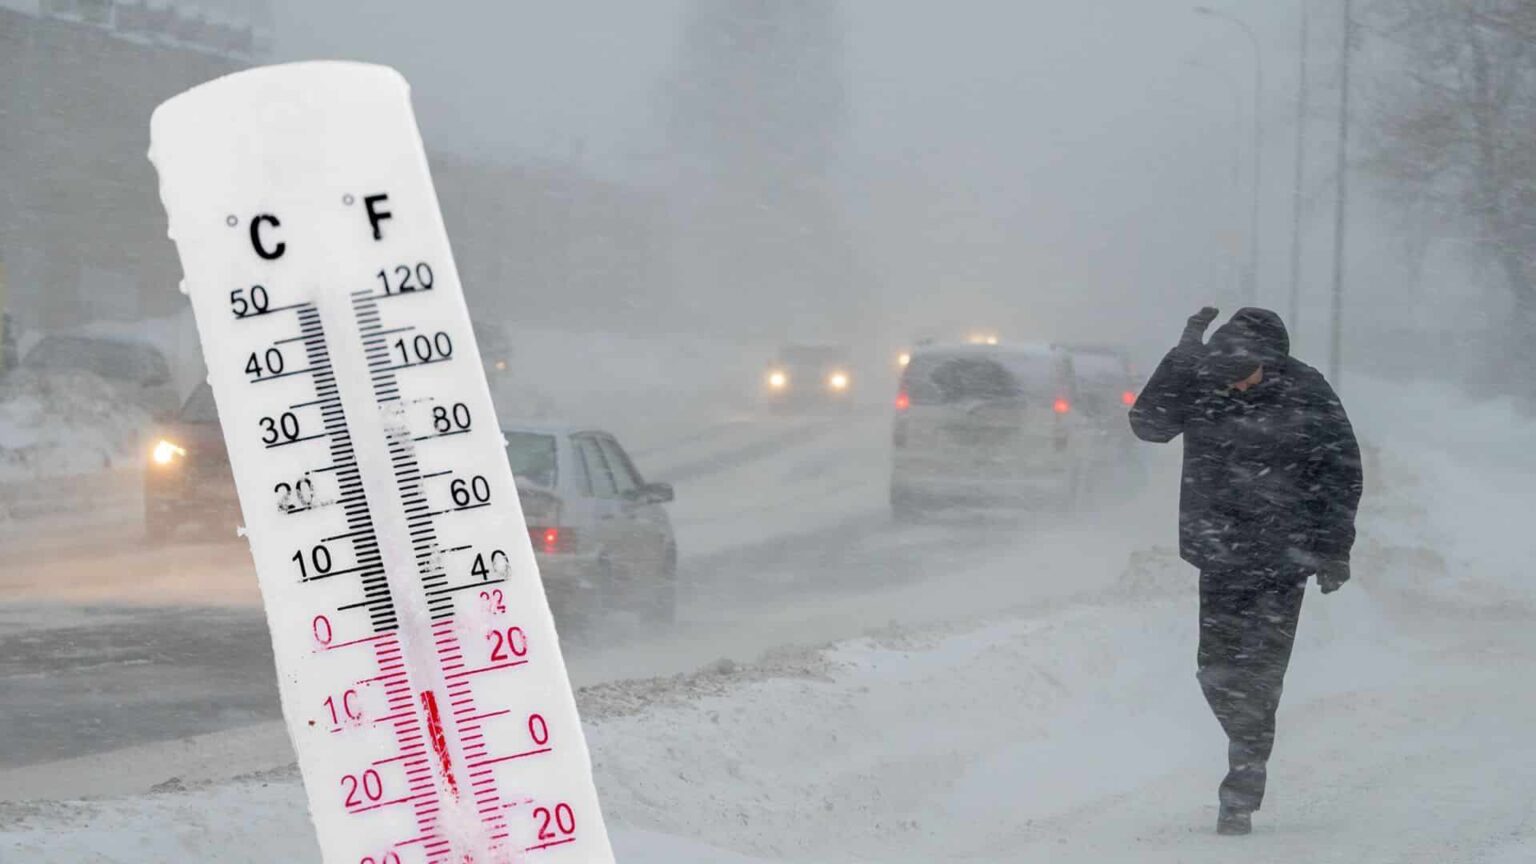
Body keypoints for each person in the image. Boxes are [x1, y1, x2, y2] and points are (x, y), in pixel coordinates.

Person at [1129, 306, 1363, 836]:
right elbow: (1148, 425)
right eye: (1227, 374)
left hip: (1285, 559)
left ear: (1271, 361)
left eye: (1246, 374)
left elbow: (1341, 471)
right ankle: (1247, 741)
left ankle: (1243, 777)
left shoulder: (1307, 390)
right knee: (1214, 669)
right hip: (1220, 553)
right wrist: (1183, 356)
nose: (1237, 385)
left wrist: (1334, 549)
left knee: (1260, 673)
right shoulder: (1204, 380)